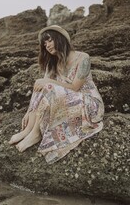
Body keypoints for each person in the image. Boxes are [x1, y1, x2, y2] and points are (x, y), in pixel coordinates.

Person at [9, 25, 104, 164]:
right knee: (42, 84)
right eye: (44, 43)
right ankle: (29, 129)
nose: (46, 45)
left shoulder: (83, 58)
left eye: (49, 40)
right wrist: (30, 112)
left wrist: (49, 82)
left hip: (88, 103)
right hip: (63, 99)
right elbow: (41, 89)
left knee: (47, 84)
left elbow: (75, 87)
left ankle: (35, 133)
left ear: (60, 39)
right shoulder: (52, 63)